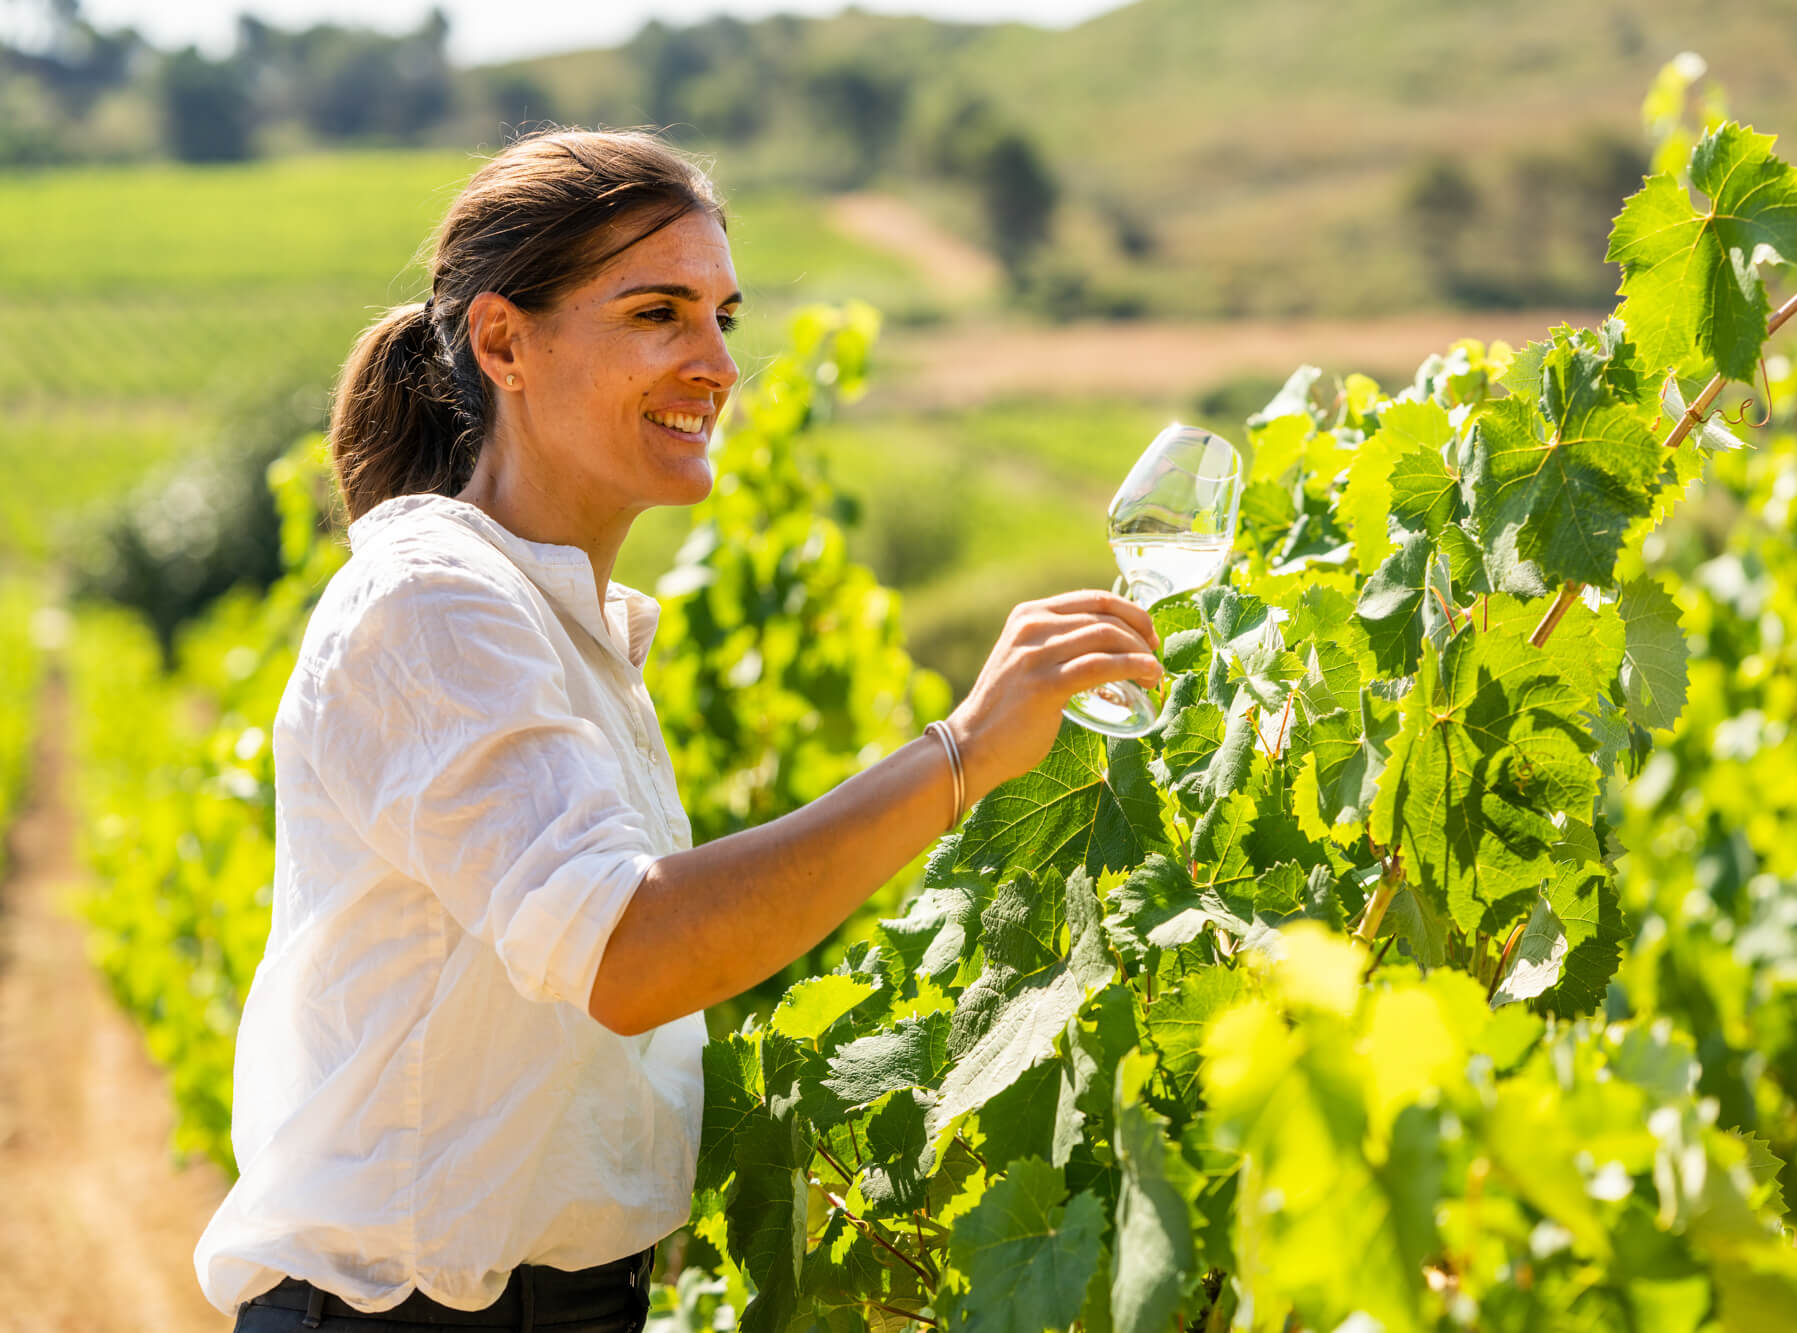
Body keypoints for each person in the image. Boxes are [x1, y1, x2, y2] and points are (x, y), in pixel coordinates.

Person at [195, 128, 1162, 1331]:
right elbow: (631, 952)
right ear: (503, 342)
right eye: (657, 313)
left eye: (724, 318)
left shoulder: (565, 628)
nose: (713, 364)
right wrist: (957, 753)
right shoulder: (434, 601)